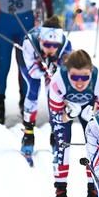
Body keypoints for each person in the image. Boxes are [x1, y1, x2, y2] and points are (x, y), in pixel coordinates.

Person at [0, 0, 54, 124]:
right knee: (4, 61)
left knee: (26, 62)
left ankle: (25, 101)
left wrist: (50, 15)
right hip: (3, 19)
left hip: (25, 19)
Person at [47, 49, 99, 197]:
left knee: (95, 146)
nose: (80, 83)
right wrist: (68, 115)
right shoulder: (58, 81)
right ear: (68, 72)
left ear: (91, 72)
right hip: (65, 109)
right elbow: (56, 118)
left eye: (85, 77)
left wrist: (95, 116)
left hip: (89, 108)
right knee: (62, 145)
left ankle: (93, 192)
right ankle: (60, 194)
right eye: (74, 77)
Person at [19, 17, 71, 164]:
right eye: (47, 44)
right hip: (31, 64)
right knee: (33, 88)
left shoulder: (66, 45)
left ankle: (55, 134)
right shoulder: (30, 43)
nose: (51, 48)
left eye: (55, 45)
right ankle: (28, 134)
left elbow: (65, 73)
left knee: (54, 94)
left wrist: (57, 67)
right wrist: (43, 67)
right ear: (41, 40)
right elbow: (33, 72)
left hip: (49, 67)